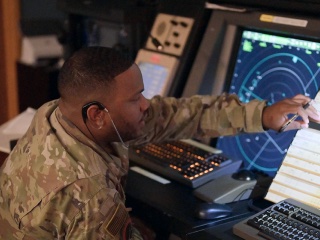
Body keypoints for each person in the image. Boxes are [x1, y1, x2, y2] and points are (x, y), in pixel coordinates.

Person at [0, 46, 319, 240]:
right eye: (136, 98)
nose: (145, 105)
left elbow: (174, 115)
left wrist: (262, 115)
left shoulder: (58, 111)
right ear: (97, 114)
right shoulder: (85, 190)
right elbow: (86, 206)